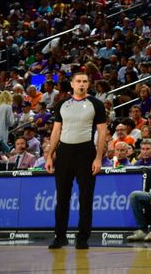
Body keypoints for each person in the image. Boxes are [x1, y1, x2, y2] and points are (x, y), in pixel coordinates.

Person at [45, 71, 108, 249]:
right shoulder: (62, 104)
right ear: (72, 84)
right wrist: (50, 155)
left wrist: (98, 157)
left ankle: (83, 238)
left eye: (85, 81)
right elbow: (56, 131)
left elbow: (102, 132)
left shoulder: (95, 104)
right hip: (64, 152)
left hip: (86, 152)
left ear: (89, 84)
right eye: (78, 81)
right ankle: (60, 236)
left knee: (86, 197)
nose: (81, 84)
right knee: (62, 196)